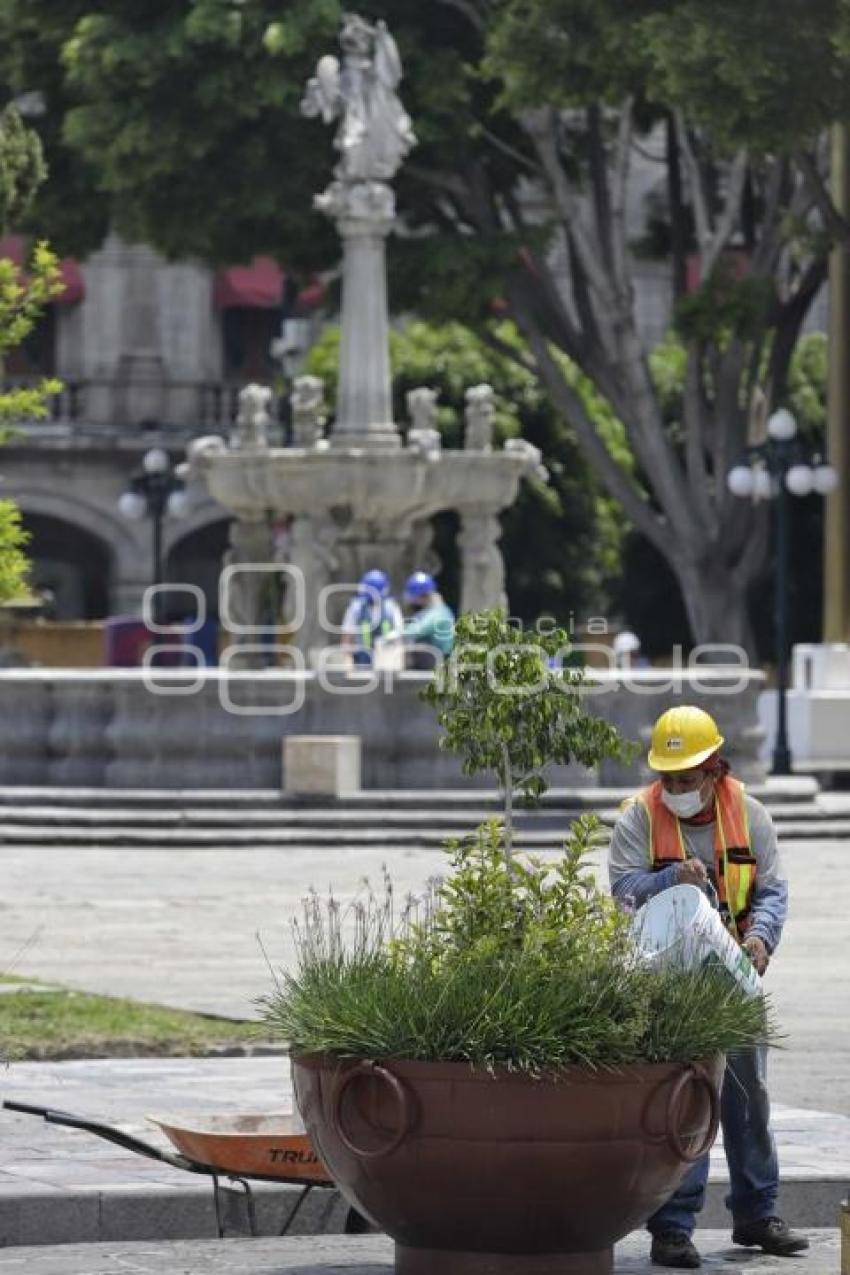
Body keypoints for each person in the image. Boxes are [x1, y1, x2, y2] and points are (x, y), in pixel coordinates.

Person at [608, 705, 808, 1269]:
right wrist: (673, 876)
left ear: (714, 767)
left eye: (686, 779)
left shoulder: (749, 812)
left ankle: (756, 1213)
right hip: (666, 979)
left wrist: (762, 940)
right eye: (667, 778)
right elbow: (623, 890)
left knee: (749, 1099)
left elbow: (772, 890)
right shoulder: (638, 817)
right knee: (685, 1102)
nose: (675, 788)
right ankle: (672, 1226)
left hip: (735, 974)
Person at [341, 569, 403, 667]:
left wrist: (398, 662)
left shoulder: (391, 608)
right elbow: (347, 637)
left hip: (386, 662)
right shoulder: (356, 607)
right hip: (362, 661)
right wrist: (348, 662)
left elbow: (399, 636)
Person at [402, 571, 455, 668]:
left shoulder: (438, 613)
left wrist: (393, 634)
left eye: (414, 598)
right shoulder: (430, 610)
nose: (412, 602)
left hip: (439, 662)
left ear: (423, 596)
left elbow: (416, 630)